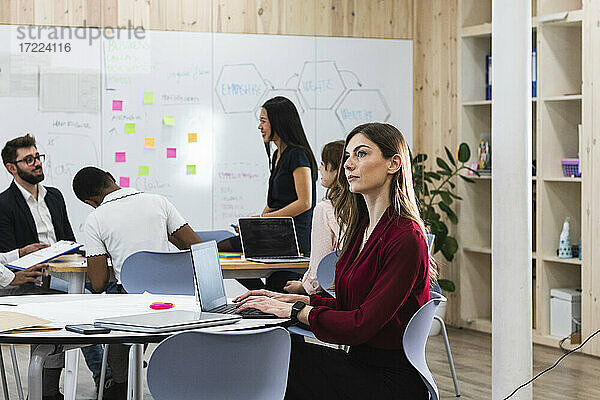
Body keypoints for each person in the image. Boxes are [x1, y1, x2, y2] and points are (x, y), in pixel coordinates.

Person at [235, 123, 435, 399]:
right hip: (361, 365)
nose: (349, 165)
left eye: (361, 154)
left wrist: (293, 312)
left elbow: (361, 323)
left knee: (275, 361)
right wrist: (288, 301)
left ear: (394, 163)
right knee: (273, 351)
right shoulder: (362, 228)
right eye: (348, 157)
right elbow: (348, 305)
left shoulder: (405, 237)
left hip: (388, 380)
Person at [72, 166, 201, 400]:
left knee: (114, 332)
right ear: (111, 178)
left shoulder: (96, 218)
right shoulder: (158, 201)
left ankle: (120, 386)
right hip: (176, 303)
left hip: (134, 306)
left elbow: (99, 283)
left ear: (91, 202)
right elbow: (195, 246)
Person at [0, 134, 104, 400]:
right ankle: (102, 376)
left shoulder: (54, 196)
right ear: (12, 167)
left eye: (38, 157)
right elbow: (7, 257)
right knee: (78, 302)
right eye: (29, 159)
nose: (37, 163)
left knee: (111, 286)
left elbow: (68, 237)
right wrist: (25, 256)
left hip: (62, 270)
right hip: (28, 279)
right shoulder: (4, 204)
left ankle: (111, 370)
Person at [239, 96, 318, 291]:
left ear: (279, 122)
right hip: (278, 234)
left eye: (263, 121)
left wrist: (265, 220)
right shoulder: (277, 155)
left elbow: (305, 202)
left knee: (226, 246)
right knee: (226, 244)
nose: (260, 126)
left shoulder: (297, 155)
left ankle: (264, 294)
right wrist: (256, 223)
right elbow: (274, 202)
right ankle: (263, 294)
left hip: (295, 239)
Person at [283, 140, 344, 295]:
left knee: (278, 280)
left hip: (329, 293)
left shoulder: (326, 209)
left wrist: (303, 287)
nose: (319, 168)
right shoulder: (363, 206)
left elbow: (318, 272)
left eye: (323, 164)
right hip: (350, 291)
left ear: (336, 170)